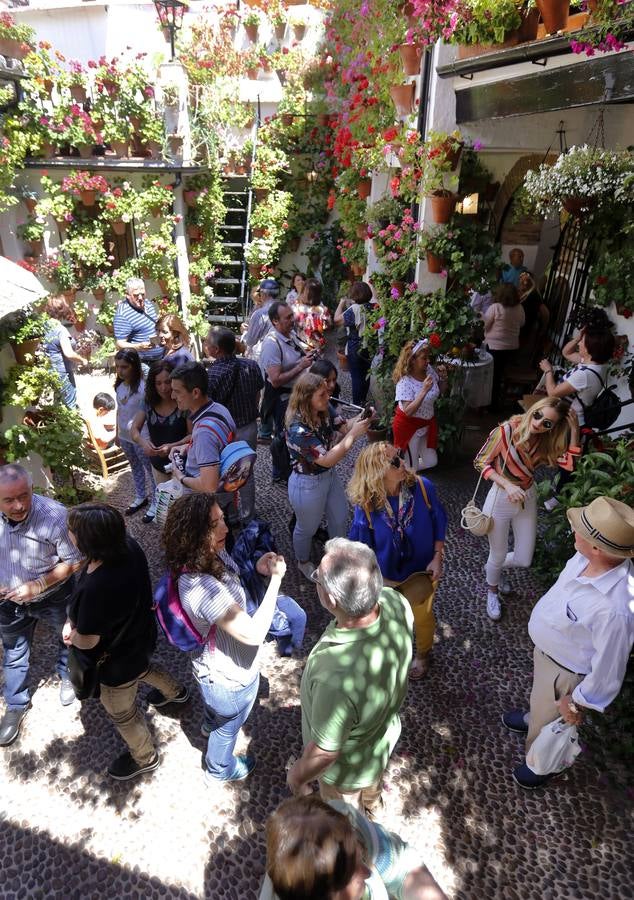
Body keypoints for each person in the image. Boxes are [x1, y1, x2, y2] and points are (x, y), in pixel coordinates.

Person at [502, 497, 634, 789]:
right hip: (549, 658)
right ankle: (536, 714)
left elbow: (608, 671)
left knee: (554, 721)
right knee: (542, 702)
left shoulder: (616, 609)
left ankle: (540, 766)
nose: (573, 530)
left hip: (565, 674)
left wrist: (576, 702)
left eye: (580, 530)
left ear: (598, 548)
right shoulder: (583, 556)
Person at [162, 492, 287, 783]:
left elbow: (233, 578)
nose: (226, 529)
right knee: (229, 725)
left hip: (212, 667)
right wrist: (277, 580)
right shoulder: (200, 586)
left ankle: (210, 721)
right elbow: (254, 633)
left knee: (218, 714)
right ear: (193, 535)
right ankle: (219, 769)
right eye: (214, 524)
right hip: (226, 679)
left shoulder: (205, 555)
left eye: (222, 520)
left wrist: (258, 569)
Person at [287, 538, 413, 815]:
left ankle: (363, 838)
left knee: (348, 822)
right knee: (372, 783)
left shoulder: (336, 677)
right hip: (380, 741)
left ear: (331, 599)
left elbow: (325, 752)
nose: (316, 579)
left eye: (317, 577)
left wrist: (297, 777)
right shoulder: (396, 602)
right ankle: (374, 805)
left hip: (346, 773)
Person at [63, 503, 188, 780]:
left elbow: (89, 641)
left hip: (115, 663)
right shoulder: (128, 546)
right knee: (143, 668)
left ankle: (144, 757)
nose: (69, 534)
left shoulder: (99, 587)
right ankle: (176, 692)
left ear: (88, 540)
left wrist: (72, 637)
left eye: (72, 531)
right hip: (138, 639)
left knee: (122, 713)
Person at [474, 397, 581, 622]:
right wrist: (507, 484)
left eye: (548, 423)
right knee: (499, 553)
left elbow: (569, 464)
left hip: (527, 497)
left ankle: (493, 568)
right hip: (501, 497)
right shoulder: (506, 431)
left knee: (524, 559)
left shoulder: (546, 441)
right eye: (538, 415)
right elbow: (481, 461)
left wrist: (574, 428)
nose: (540, 423)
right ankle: (492, 590)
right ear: (534, 408)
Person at [348, 442, 447, 679]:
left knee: (422, 617)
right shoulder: (367, 505)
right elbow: (361, 547)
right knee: (389, 619)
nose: (402, 463)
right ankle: (394, 652)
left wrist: (437, 557)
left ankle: (423, 653)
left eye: (400, 457)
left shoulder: (423, 488)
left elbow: (439, 522)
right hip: (388, 578)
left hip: (422, 574)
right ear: (376, 471)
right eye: (394, 462)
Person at [0, 464, 83, 747]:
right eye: (8, 500)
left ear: (32, 489)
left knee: (68, 639)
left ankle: (67, 675)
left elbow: (74, 561)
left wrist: (37, 586)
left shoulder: (55, 516)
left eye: (24, 496)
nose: (19, 505)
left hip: (54, 596)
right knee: (13, 652)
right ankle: (15, 704)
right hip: (8, 603)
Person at [260, 795, 446, 900]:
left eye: (361, 857)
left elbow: (402, 866)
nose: (368, 872)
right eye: (352, 872)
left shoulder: (345, 825)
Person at [286, 373, 371, 581]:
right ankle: (303, 561)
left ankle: (337, 557)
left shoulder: (323, 408)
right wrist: (354, 435)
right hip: (307, 483)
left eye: (326, 392)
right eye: (322, 394)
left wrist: (362, 418)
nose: (328, 397)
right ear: (307, 399)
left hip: (328, 477)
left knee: (340, 517)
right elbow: (327, 459)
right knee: (307, 528)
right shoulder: (298, 429)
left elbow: (344, 426)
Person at [205, 326, 264, 523]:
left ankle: (228, 515)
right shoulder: (252, 365)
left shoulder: (212, 374)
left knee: (225, 473)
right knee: (247, 472)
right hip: (248, 426)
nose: (205, 346)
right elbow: (258, 393)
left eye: (206, 343)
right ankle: (248, 516)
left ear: (215, 350)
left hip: (225, 433)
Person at [168, 362, 236, 510]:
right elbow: (217, 447)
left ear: (195, 393)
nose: (173, 396)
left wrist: (181, 477)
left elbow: (209, 486)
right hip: (224, 499)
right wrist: (188, 447)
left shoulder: (204, 432)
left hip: (205, 507)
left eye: (177, 391)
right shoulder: (219, 409)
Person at [259, 301, 314, 483]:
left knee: (292, 434)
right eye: (288, 317)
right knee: (284, 436)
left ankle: (289, 468)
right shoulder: (271, 344)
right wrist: (301, 366)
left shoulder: (289, 335)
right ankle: (280, 472)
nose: (293, 319)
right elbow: (275, 380)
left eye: (292, 315)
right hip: (282, 398)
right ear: (275, 321)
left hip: (295, 395)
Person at [130, 360, 189, 524]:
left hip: (180, 463)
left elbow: (192, 434)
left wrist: (172, 446)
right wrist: (143, 442)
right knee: (165, 507)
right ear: (152, 384)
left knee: (182, 506)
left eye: (168, 381)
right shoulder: (148, 402)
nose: (164, 387)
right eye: (158, 383)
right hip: (157, 463)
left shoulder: (182, 402)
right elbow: (134, 429)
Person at [538, 319, 616, 427]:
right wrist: (578, 338)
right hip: (563, 412)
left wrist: (548, 370)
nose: (578, 344)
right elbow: (567, 353)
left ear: (589, 350)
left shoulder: (585, 375)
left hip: (566, 421)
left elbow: (553, 392)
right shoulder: (595, 363)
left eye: (582, 342)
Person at [392, 338, 447, 472]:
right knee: (413, 468)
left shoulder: (429, 370)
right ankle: (405, 477)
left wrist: (444, 378)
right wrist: (423, 391)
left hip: (425, 425)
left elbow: (441, 391)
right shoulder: (404, 382)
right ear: (412, 360)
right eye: (424, 358)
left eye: (428, 357)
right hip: (409, 427)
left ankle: (403, 469)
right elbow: (408, 411)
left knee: (431, 461)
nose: (428, 361)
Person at [114, 349, 154, 516]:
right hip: (124, 435)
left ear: (134, 366)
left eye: (124, 367)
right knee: (134, 465)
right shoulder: (120, 386)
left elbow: (149, 414)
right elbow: (119, 410)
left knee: (150, 469)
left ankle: (156, 501)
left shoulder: (144, 389)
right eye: (117, 367)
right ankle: (140, 496)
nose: (120, 371)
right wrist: (117, 432)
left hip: (141, 436)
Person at [483, 283, 525, 412]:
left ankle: (490, 405)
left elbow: (486, 326)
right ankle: (498, 402)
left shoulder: (495, 307)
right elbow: (522, 323)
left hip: (494, 347)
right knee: (500, 375)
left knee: (492, 377)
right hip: (512, 348)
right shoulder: (520, 308)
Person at [42, 296, 88, 409]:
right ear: (62, 309)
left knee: (58, 405)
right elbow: (68, 353)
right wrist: (83, 360)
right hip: (63, 373)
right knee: (69, 405)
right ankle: (70, 426)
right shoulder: (60, 330)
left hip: (51, 371)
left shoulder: (45, 326)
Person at [334, 281, 374, 406]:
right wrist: (372, 288)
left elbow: (336, 320)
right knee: (366, 375)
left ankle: (357, 405)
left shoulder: (353, 309)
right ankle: (363, 401)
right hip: (370, 347)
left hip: (354, 347)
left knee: (356, 377)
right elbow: (376, 299)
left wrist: (341, 303)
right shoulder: (374, 307)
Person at [113, 276, 163, 365]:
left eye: (142, 294)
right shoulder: (123, 314)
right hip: (143, 363)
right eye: (136, 295)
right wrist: (139, 346)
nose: (140, 298)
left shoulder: (147, 303)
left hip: (161, 359)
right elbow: (120, 343)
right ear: (127, 295)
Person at [243, 278, 280, 359]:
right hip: (283, 352)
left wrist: (245, 332)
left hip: (263, 355)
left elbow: (250, 341)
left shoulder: (260, 313)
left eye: (260, 293)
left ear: (263, 294)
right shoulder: (287, 309)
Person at [294, 278, 331, 350]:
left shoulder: (299, 309)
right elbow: (328, 326)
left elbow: (327, 326)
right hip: (306, 345)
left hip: (312, 346)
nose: (301, 294)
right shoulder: (322, 309)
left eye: (304, 292)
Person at [518, 271, 542, 342]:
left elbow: (544, 313)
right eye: (520, 279)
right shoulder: (526, 294)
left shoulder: (533, 295)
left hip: (526, 330)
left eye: (524, 280)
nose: (521, 282)